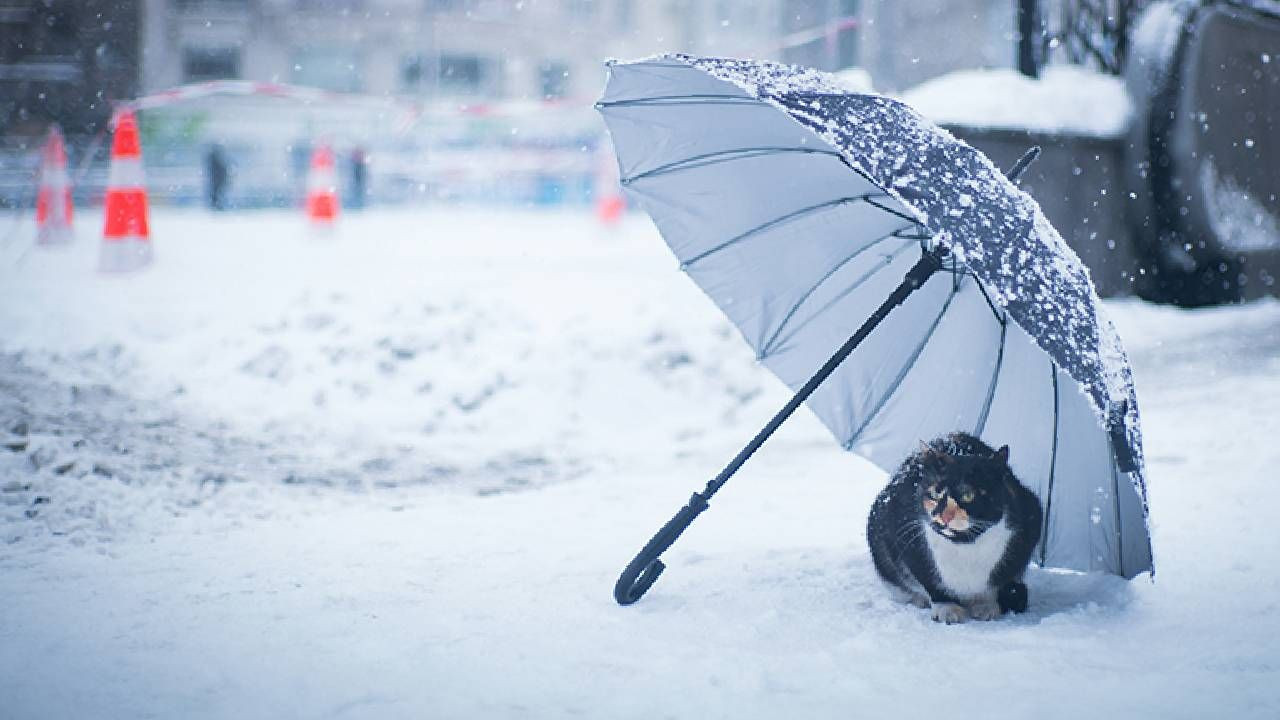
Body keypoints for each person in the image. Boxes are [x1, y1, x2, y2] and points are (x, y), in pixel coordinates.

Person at [207, 144, 230, 211]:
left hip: (217, 180)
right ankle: (216, 205)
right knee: (217, 192)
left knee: (216, 192)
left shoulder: (214, 160)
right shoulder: (217, 160)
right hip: (217, 180)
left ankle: (215, 205)